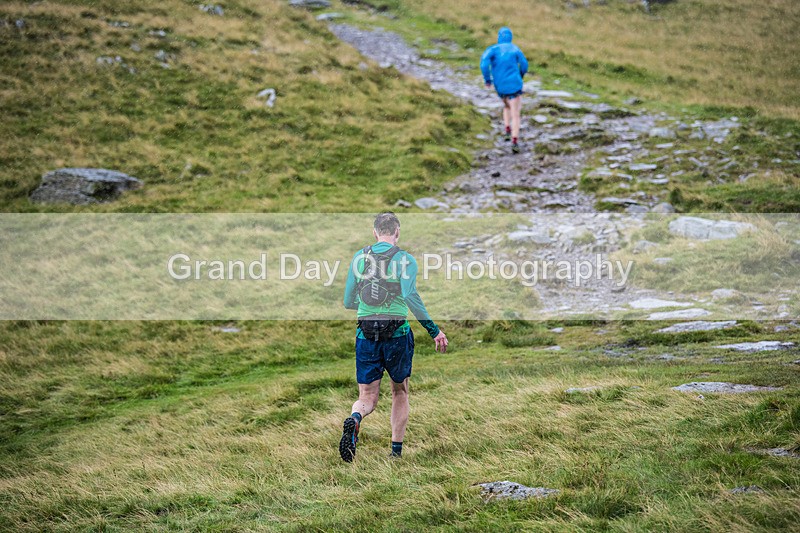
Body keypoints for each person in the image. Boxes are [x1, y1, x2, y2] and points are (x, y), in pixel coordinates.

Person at [340, 212, 448, 462]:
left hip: (365, 333)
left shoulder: (359, 257)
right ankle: (396, 453)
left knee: (367, 397)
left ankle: (355, 418)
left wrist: (369, 303)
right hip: (397, 333)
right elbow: (410, 296)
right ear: (397, 232)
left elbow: (347, 301)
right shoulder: (405, 260)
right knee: (400, 391)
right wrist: (434, 330)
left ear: (374, 231)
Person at [480, 26, 529, 154]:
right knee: (516, 113)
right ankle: (514, 140)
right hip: (515, 85)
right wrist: (520, 74)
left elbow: (484, 63)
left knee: (506, 106)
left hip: (500, 85)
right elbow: (524, 64)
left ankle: (507, 128)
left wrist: (487, 79)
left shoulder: (493, 49)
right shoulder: (514, 49)